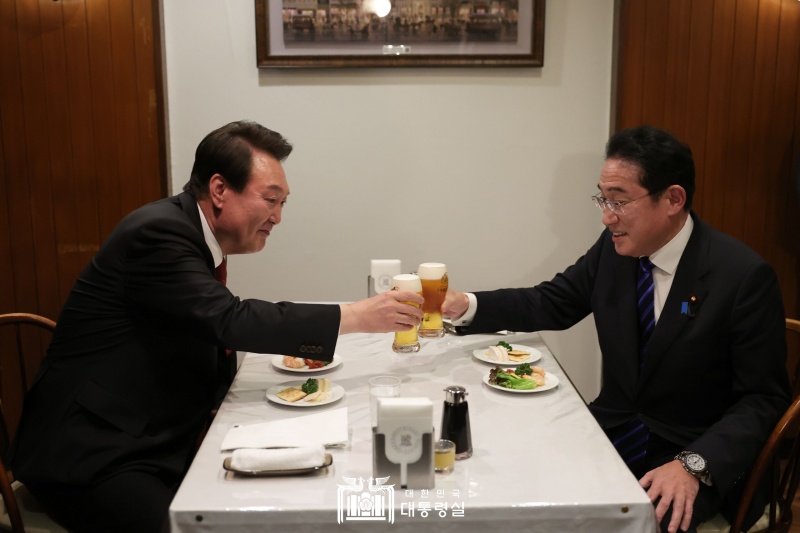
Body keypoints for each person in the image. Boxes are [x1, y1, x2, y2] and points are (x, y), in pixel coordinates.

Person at [9, 120, 424, 533]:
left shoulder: (190, 232)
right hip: (93, 452)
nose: (277, 217)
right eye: (270, 199)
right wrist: (353, 317)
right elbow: (228, 319)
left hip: (153, 432)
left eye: (284, 204)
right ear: (220, 189)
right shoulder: (159, 232)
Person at [442, 125, 791, 533]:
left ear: (673, 199)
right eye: (603, 199)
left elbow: (762, 399)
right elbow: (551, 301)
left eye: (620, 201)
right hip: (612, 429)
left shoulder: (742, 275)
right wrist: (465, 305)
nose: (607, 217)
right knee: (516, 484)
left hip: (691, 453)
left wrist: (695, 465)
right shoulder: (615, 250)